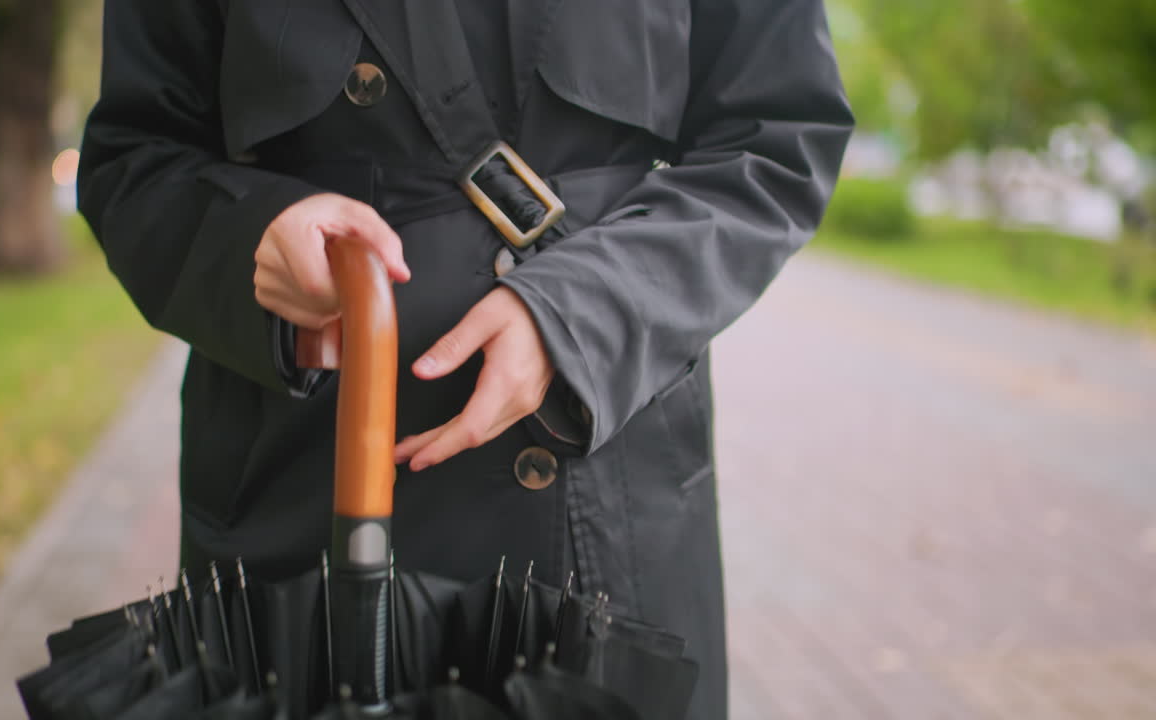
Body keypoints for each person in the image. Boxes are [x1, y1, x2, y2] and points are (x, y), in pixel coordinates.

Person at [78, 1, 853, 718]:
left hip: (603, 505)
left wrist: (582, 317)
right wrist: (251, 235)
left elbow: (777, 138)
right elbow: (134, 160)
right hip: (304, 504)